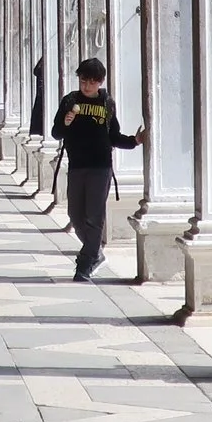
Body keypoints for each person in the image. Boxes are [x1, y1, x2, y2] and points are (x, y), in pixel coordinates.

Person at [55, 58, 145, 281]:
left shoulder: (106, 104)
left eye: (92, 82)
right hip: (76, 165)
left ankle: (84, 265)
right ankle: (96, 253)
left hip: (100, 166)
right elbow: (56, 133)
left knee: (94, 217)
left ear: (101, 82)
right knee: (75, 215)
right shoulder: (70, 101)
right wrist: (65, 123)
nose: (87, 86)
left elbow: (113, 136)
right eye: (83, 81)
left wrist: (134, 140)